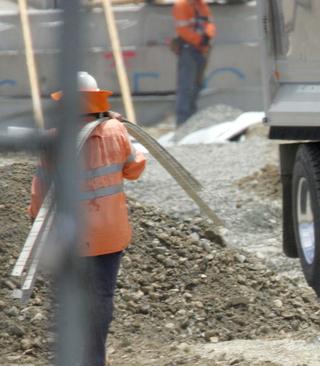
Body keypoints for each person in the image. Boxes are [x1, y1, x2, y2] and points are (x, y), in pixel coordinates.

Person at [29, 71, 146, 366]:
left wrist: (36, 223)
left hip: (71, 235)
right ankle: (94, 358)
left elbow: (41, 188)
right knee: (102, 297)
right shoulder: (116, 130)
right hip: (109, 233)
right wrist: (120, 129)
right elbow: (134, 170)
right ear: (97, 98)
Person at [172, 0, 217, 126]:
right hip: (188, 49)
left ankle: (191, 119)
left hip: (201, 50)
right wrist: (199, 40)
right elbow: (183, 29)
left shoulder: (201, 5)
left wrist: (207, 36)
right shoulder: (181, 5)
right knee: (186, 87)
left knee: (197, 86)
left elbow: (209, 23)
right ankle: (183, 122)